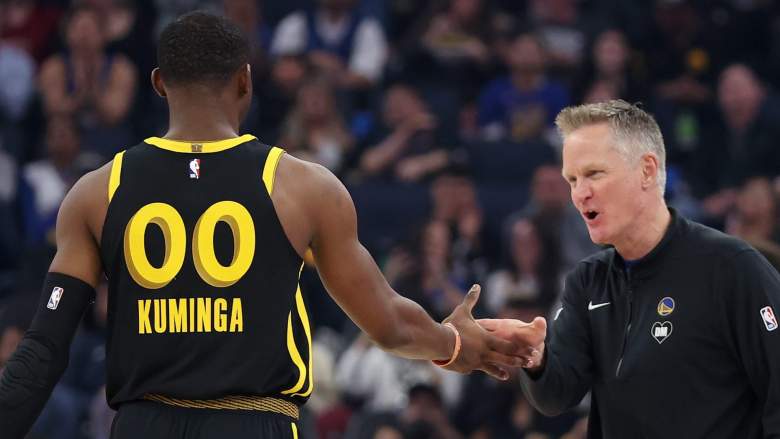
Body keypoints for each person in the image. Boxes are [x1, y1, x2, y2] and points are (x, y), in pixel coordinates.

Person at [0, 12, 531, 439]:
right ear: (245, 81)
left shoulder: (96, 191)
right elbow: (389, 324)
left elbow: (43, 349)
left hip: (143, 422)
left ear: (159, 84)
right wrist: (454, 345)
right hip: (255, 420)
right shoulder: (301, 186)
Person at [480, 100, 780, 438]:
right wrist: (536, 359)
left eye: (594, 174)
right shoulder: (588, 280)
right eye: (572, 179)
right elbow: (556, 396)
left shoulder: (731, 268)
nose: (580, 194)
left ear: (647, 171)